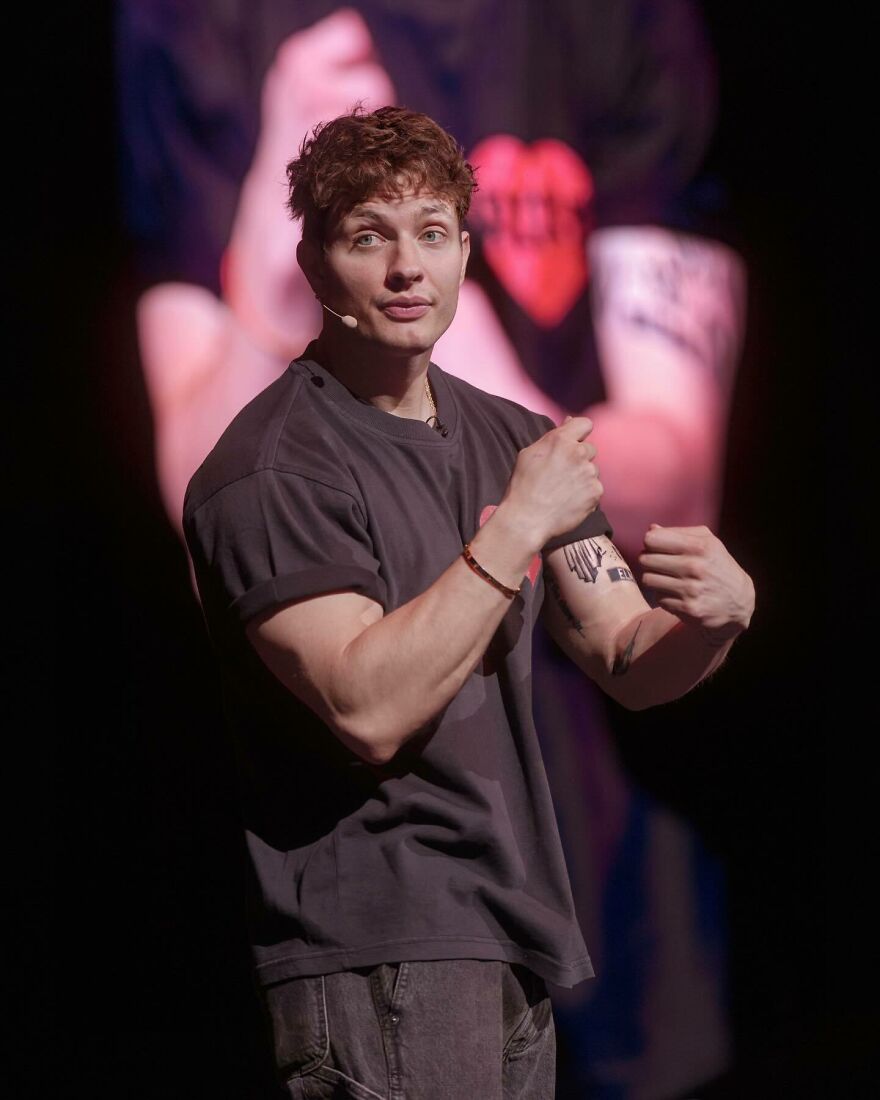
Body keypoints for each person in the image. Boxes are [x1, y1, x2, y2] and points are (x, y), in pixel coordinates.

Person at [183, 105, 754, 1099]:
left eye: (433, 234)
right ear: (316, 266)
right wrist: (512, 528)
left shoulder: (515, 438)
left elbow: (624, 654)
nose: (408, 268)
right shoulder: (272, 468)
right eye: (370, 236)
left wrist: (709, 622)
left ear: (463, 253)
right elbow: (366, 706)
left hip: (510, 927)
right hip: (375, 941)